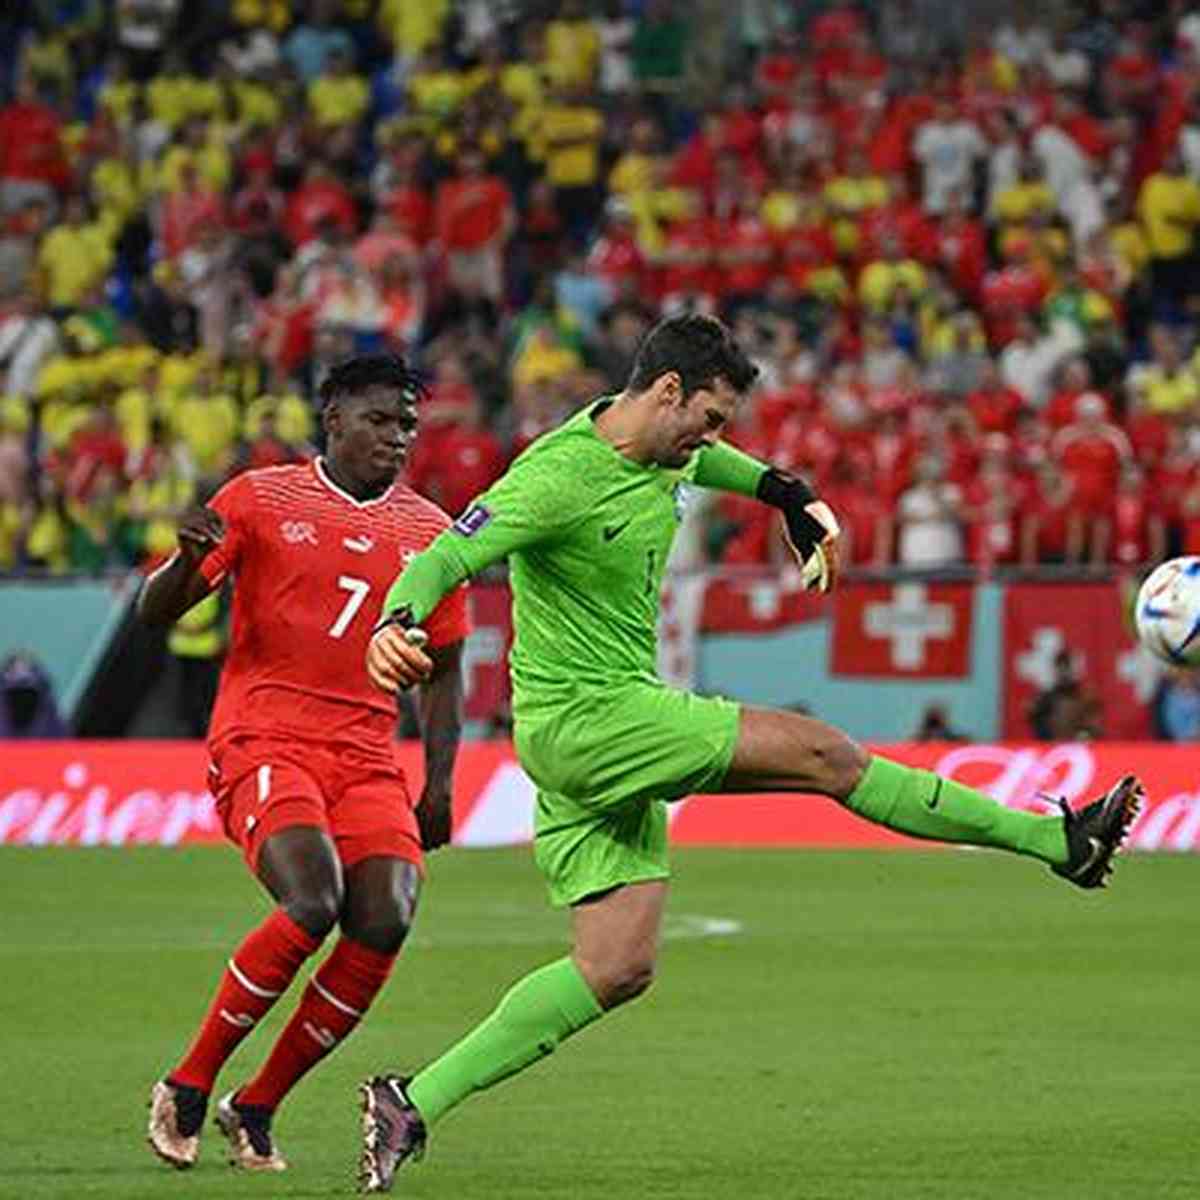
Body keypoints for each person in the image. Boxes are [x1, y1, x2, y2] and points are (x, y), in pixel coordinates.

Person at [356, 315, 1143, 1193]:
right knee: (827, 755)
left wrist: (789, 493)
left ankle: (411, 1100)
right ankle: (1056, 844)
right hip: (592, 721)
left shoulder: (659, 446)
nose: (713, 437)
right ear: (666, 393)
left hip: (592, 740)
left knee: (616, 967)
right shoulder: (554, 477)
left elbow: (715, 465)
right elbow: (449, 553)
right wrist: (397, 622)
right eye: (711, 416)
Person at [139, 354, 470, 1172]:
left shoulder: (430, 532)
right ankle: (187, 1082)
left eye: (406, 427)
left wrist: (440, 781)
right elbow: (156, 611)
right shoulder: (260, 497)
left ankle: (254, 1106)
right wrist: (185, 563)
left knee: (386, 916)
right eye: (380, 421)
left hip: (364, 754)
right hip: (264, 736)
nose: (397, 438)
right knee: (312, 898)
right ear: (333, 420)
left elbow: (448, 662)